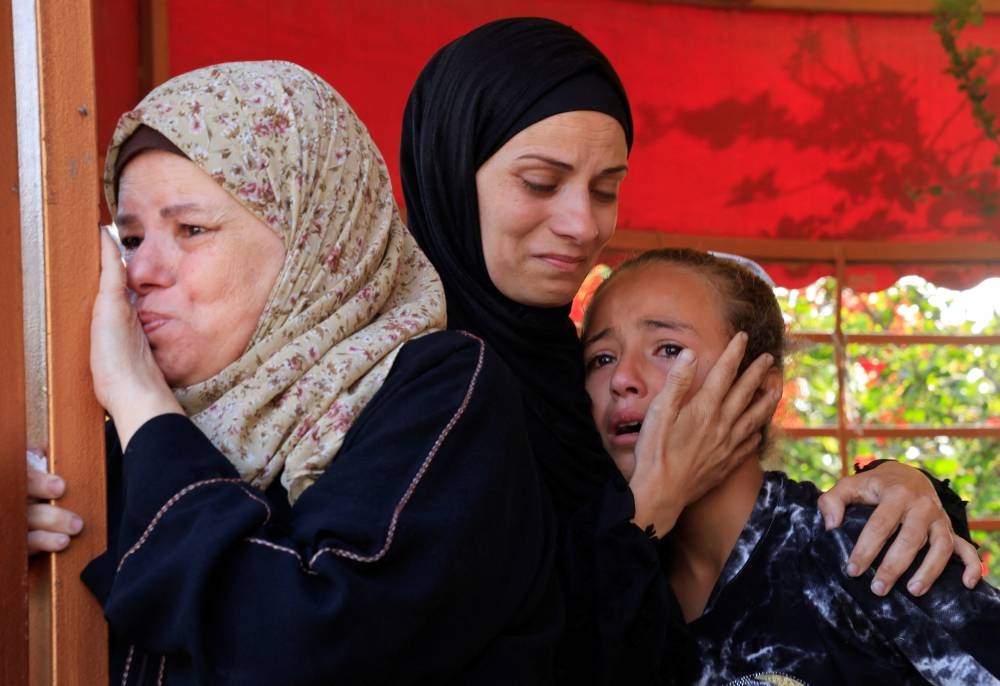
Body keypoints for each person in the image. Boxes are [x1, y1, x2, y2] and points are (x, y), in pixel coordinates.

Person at [399, 16, 983, 684]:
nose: (583, 224)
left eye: (606, 189)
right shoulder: (395, 390)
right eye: (539, 182)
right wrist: (646, 509)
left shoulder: (569, 390)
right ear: (449, 165)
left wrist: (910, 491)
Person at [67, 60, 559, 685]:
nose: (141, 272)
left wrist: (139, 404)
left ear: (314, 241)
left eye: (192, 229)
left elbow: (306, 645)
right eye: (131, 239)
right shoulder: (107, 429)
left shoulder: (439, 393)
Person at [581, 247, 1000, 685]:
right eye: (601, 358)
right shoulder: (591, 575)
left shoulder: (860, 551)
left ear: (760, 390)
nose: (621, 378)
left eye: (668, 348)